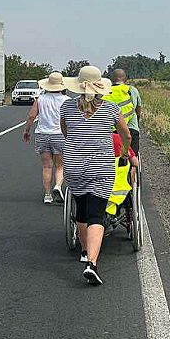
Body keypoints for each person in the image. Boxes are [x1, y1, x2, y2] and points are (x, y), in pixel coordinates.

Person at [60, 65, 133, 286]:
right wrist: (122, 152)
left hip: (73, 165)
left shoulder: (66, 107)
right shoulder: (110, 109)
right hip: (101, 166)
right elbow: (126, 135)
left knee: (81, 211)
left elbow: (66, 132)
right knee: (96, 215)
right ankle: (91, 263)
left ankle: (84, 251)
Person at [22, 72, 69, 204]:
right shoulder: (66, 101)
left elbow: (31, 116)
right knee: (60, 166)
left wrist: (26, 130)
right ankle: (58, 186)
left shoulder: (40, 99)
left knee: (47, 166)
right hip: (60, 134)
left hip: (42, 134)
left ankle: (47, 195)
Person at [105, 69, 142, 155]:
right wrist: (137, 123)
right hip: (131, 128)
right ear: (125, 79)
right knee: (133, 154)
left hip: (113, 130)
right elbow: (138, 110)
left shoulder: (106, 91)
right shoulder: (132, 90)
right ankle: (134, 167)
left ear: (112, 80)